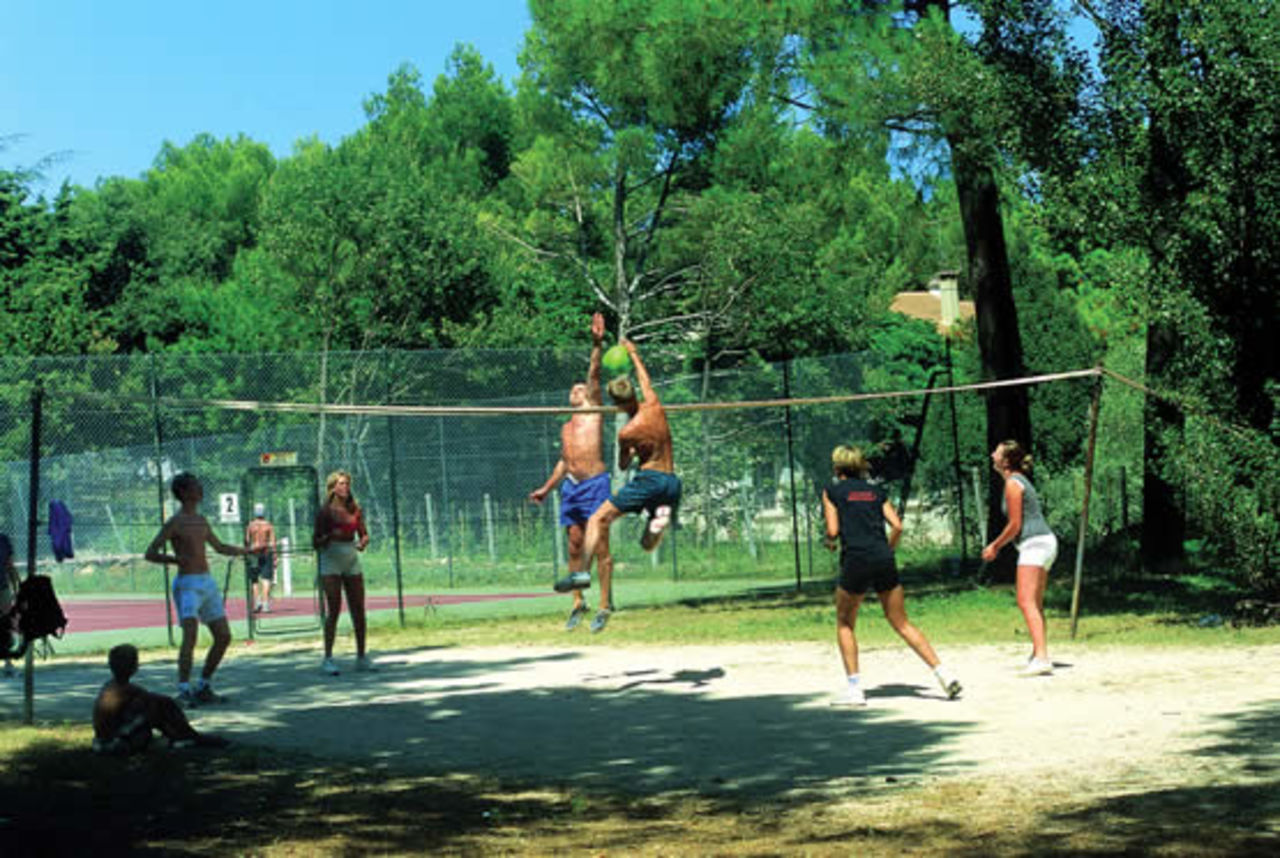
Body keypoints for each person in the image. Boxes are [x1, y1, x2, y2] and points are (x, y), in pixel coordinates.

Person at [822, 445, 961, 706]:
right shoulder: (876, 491)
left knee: (845, 622)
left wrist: (829, 542)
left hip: (856, 558)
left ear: (837, 467)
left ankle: (854, 689)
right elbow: (897, 525)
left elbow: (832, 530)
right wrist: (887, 549)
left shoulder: (832, 491)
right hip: (883, 557)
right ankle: (944, 674)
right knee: (901, 622)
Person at [570, 337, 681, 633]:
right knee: (647, 545)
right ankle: (660, 520)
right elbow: (645, 377)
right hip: (672, 483)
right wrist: (632, 352)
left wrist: (630, 451)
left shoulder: (628, 432)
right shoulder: (654, 404)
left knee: (598, 518)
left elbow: (622, 465)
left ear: (618, 406)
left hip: (649, 479)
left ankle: (582, 574)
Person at [531, 314, 615, 630]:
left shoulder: (593, 411)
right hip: (571, 487)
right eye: (573, 389)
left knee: (601, 545)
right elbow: (564, 463)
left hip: (595, 485)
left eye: (580, 388)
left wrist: (597, 344)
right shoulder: (567, 427)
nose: (576, 390)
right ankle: (578, 602)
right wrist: (545, 488)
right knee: (574, 545)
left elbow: (594, 374)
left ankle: (606, 604)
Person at [144, 472, 258, 707]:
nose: (200, 490)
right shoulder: (175, 522)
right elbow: (150, 553)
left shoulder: (202, 520)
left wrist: (247, 551)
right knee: (190, 637)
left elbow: (219, 547)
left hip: (206, 582)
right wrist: (175, 561)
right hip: (187, 585)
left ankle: (204, 685)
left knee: (224, 636)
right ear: (184, 493)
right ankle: (184, 689)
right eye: (196, 486)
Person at [982, 439, 1058, 677]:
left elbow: (1015, 525)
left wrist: (994, 546)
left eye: (996, 452)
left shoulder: (1013, 484)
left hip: (1034, 544)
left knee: (1025, 602)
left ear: (1005, 461)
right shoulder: (1017, 481)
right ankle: (1039, 653)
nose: (992, 454)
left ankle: (1042, 658)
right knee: (1035, 603)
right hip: (1045, 542)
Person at [92, 643, 228, 754]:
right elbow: (160, 701)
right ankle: (191, 736)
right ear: (134, 667)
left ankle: (183, 736)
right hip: (114, 743)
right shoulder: (127, 690)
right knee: (154, 708)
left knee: (150, 707)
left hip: (102, 741)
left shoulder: (111, 687)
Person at [313, 470, 375, 676]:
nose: (344, 487)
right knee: (334, 608)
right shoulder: (325, 511)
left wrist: (363, 542)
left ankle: (361, 656)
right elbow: (316, 541)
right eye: (340, 484)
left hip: (350, 556)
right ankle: (328, 658)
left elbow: (364, 534)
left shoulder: (355, 509)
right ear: (332, 487)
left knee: (358, 607)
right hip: (330, 558)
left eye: (347, 483)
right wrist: (330, 536)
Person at [244, 503, 277, 613]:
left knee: (254, 579)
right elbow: (272, 542)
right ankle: (265, 603)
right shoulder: (268, 526)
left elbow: (247, 541)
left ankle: (257, 602)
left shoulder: (251, 526)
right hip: (266, 552)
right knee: (266, 579)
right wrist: (275, 556)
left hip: (254, 552)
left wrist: (248, 552)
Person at [0, 534, 17, 677]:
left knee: (6, 625)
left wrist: (17, 587)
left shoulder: (4, 540)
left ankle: (8, 662)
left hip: (2, 588)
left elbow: (10, 565)